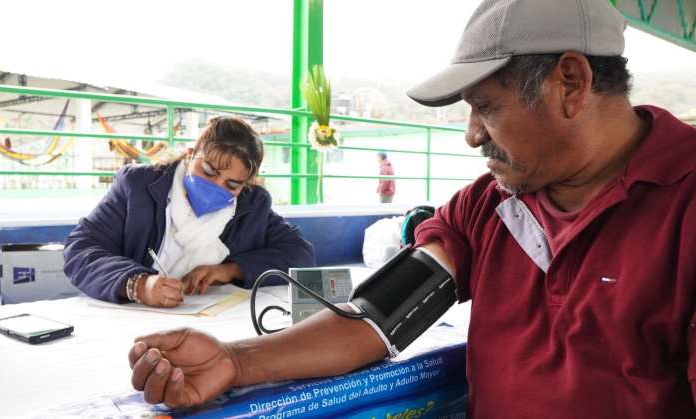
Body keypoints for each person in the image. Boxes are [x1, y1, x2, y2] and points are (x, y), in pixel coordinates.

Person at [127, 0, 696, 417]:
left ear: (570, 82)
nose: (472, 136)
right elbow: (375, 319)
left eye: (486, 107)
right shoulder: (489, 205)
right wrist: (235, 360)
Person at [64, 116, 315, 308]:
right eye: (208, 171)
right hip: (129, 317)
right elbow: (80, 250)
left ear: (245, 185)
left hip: (207, 324)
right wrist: (140, 285)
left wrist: (230, 270)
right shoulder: (138, 187)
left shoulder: (251, 207)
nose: (216, 186)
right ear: (190, 154)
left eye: (232, 184)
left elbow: (301, 256)